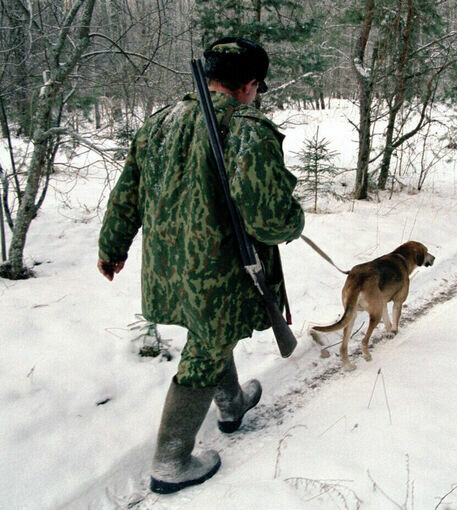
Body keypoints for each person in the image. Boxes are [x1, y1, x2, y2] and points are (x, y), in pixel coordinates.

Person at [97, 37, 304, 494]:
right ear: (249, 84)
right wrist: (295, 220)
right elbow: (269, 220)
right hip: (219, 271)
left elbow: (126, 195)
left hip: (170, 265)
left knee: (212, 334)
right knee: (205, 348)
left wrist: (112, 247)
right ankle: (171, 461)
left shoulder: (159, 123)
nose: (256, 94)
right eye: (257, 87)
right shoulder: (247, 127)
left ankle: (230, 404)